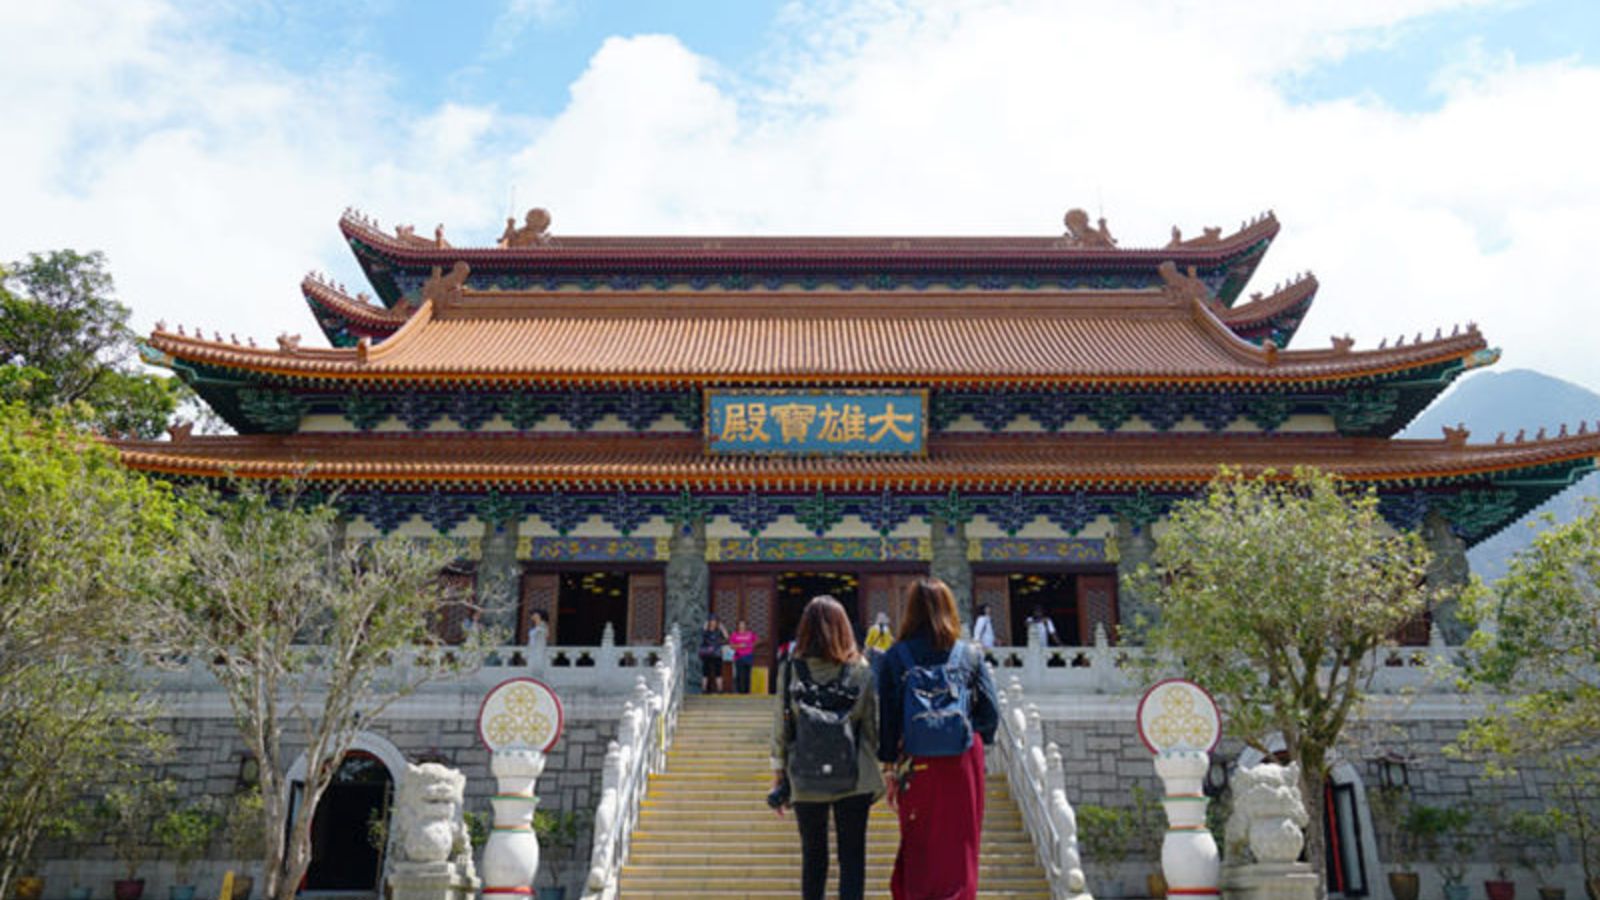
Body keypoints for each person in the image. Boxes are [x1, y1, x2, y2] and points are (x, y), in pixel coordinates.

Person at [876, 577, 999, 900]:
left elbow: (887, 720)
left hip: (916, 760)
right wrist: (969, 737)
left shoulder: (895, 657)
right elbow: (990, 715)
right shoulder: (969, 655)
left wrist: (889, 766)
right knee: (960, 845)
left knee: (919, 843)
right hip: (962, 760)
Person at [770, 596, 883, 900]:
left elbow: (782, 726)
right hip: (855, 775)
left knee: (814, 858)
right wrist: (879, 768)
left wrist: (779, 773)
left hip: (805, 773)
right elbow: (872, 727)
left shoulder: (791, 670)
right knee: (852, 858)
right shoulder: (861, 669)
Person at [698, 614, 730, 694]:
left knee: (718, 672)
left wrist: (722, 628)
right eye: (712, 621)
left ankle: (719, 689)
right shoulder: (706, 632)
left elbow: (727, 637)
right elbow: (701, 636)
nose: (713, 623)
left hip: (716, 654)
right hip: (708, 654)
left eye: (714, 621)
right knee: (706, 672)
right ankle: (704, 689)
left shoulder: (718, 631)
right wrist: (704, 628)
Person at [730, 619, 758, 694]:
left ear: (746, 626)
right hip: (739, 657)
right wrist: (739, 645)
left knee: (747, 675)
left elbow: (757, 641)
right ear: (738, 626)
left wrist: (752, 645)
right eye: (740, 624)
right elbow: (731, 646)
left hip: (748, 656)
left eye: (743, 624)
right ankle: (740, 691)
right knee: (739, 675)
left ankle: (747, 691)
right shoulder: (734, 635)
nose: (742, 626)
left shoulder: (750, 634)